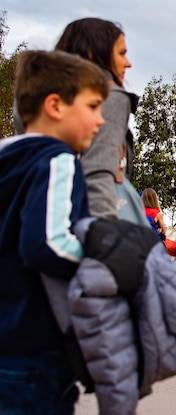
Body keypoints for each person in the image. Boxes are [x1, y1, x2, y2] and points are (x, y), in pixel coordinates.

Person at [0, 50, 108, 414]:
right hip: (35, 347)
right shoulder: (58, 159)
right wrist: (101, 260)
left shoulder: (7, 158)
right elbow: (48, 243)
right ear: (55, 106)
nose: (100, 120)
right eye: (93, 106)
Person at [53, 18, 135, 219]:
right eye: (122, 53)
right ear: (93, 53)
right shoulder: (109, 97)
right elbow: (97, 175)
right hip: (93, 223)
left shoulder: (44, 99)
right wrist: (105, 236)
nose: (128, 63)